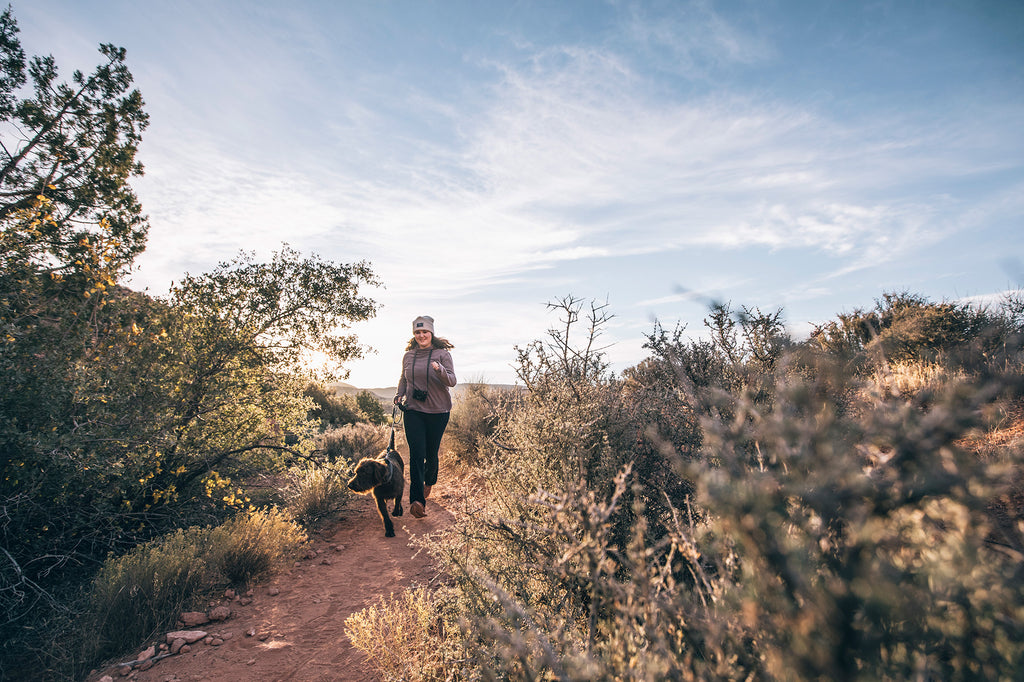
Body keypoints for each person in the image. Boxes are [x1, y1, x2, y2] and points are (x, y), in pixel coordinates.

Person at [394, 315, 456, 518]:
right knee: (416, 454)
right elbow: (404, 378)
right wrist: (399, 394)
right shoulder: (409, 356)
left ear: (431, 333)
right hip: (413, 410)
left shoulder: (442, 354)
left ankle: (429, 482)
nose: (421, 335)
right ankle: (417, 501)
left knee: (431, 454)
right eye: (417, 332)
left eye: (424, 332)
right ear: (414, 335)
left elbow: (452, 381)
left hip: (438, 412)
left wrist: (440, 370)